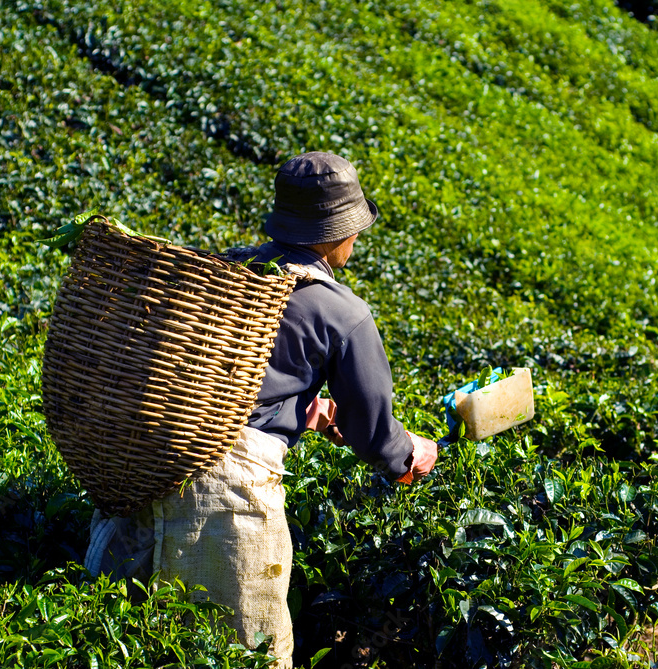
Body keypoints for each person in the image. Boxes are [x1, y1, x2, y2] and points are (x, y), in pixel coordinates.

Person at [84, 152, 439, 668]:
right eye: (353, 227)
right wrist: (410, 455)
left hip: (151, 463)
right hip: (224, 499)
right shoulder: (343, 311)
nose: (356, 239)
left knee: (124, 644)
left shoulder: (230, 267)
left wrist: (303, 409)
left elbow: (223, 379)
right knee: (242, 652)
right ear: (333, 231)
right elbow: (373, 430)